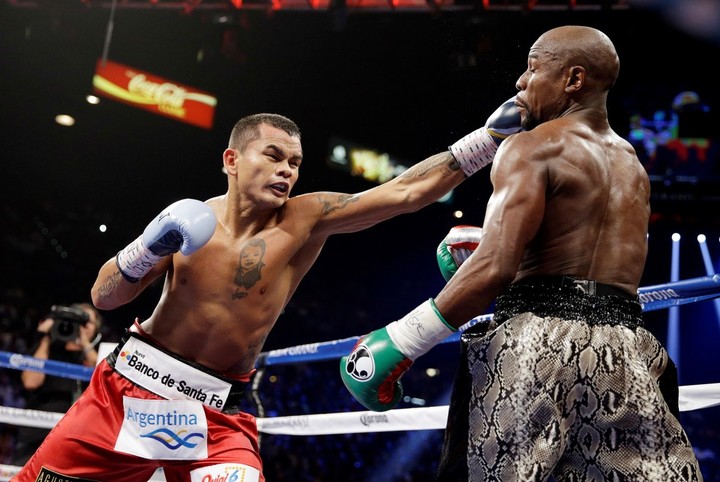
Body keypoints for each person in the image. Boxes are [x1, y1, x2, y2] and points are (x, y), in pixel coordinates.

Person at [12, 101, 522, 481]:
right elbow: (105, 298)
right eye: (273, 156)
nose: (287, 170)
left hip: (214, 415)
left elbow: (407, 192)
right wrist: (145, 250)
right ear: (232, 159)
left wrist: (487, 137)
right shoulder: (189, 220)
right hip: (122, 392)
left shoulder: (305, 220)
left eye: (295, 163)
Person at [340, 25, 704, 481]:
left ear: (573, 80)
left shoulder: (528, 146)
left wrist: (402, 340)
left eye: (533, 68)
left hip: (537, 348)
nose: (520, 82)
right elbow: (584, 261)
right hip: (627, 352)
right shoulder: (632, 163)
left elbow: (494, 268)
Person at [12, 303, 102, 466]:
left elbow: (104, 380)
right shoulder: (46, 349)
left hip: (75, 439)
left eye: (86, 322)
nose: (80, 326)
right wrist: (46, 338)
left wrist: (84, 344)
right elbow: (31, 382)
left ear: (96, 329)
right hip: (36, 435)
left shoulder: (98, 356)